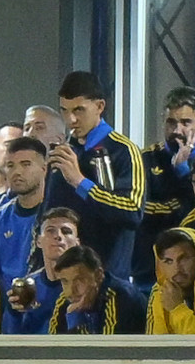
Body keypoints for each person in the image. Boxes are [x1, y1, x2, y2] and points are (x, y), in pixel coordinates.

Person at [46, 71, 144, 278]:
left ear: (100, 106)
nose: (71, 120)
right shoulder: (64, 151)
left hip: (108, 275)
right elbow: (48, 213)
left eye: (79, 110)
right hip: (65, 277)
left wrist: (80, 182)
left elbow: (133, 211)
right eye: (65, 111)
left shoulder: (124, 150)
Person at [134, 86, 195, 289]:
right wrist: (176, 206)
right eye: (171, 122)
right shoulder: (144, 159)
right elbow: (139, 211)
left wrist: (183, 170)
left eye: (186, 123)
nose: (177, 130)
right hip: (148, 273)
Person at [0, 136, 48, 291]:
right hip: (8, 300)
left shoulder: (58, 214)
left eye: (26, 164)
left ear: (44, 169)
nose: (17, 172)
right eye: (10, 166)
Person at [3, 207, 81, 335]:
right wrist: (14, 313)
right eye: (50, 231)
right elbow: (9, 338)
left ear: (77, 243)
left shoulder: (86, 285)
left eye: (66, 231)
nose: (58, 236)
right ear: (38, 241)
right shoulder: (27, 287)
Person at [48, 245, 146, 334]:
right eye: (65, 281)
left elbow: (108, 347)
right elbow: (51, 346)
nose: (71, 291)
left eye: (79, 280)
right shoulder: (64, 300)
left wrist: (75, 320)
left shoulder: (120, 297)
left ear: (98, 275)